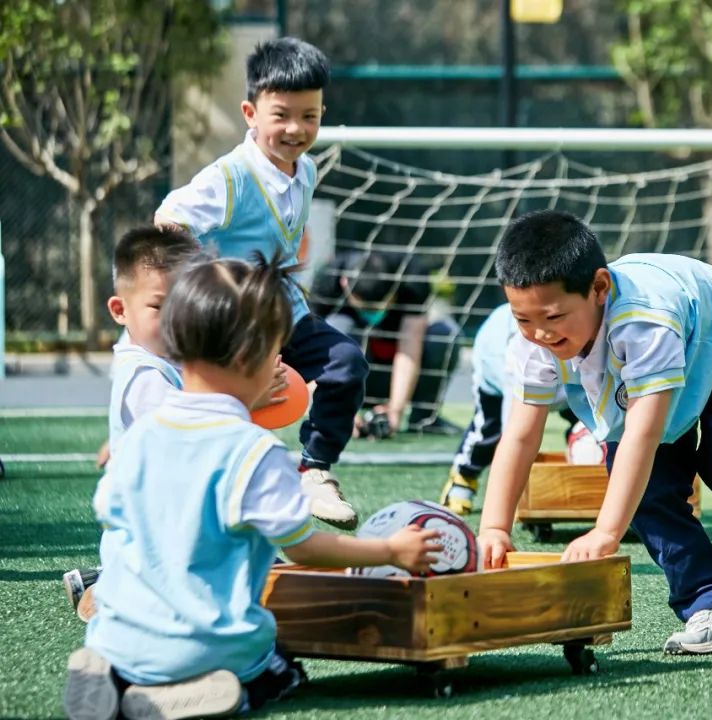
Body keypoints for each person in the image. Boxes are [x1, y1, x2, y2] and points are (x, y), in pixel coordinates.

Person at [63, 254, 443, 720]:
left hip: (114, 639)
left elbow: (111, 511)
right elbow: (304, 548)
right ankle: (213, 692)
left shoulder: (137, 434)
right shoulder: (255, 453)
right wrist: (390, 552)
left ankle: (116, 678)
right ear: (252, 358)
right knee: (281, 669)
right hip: (205, 651)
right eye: (278, 352)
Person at [477, 210, 712, 654]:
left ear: (600, 288)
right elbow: (520, 437)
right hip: (654, 363)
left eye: (554, 316)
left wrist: (605, 533)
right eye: (522, 318)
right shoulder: (533, 343)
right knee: (648, 490)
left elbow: (642, 433)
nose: (538, 332)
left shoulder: (644, 322)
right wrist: (494, 526)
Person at [155, 37, 367, 530]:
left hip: (284, 313)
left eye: (309, 116)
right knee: (229, 416)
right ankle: (187, 515)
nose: (296, 129)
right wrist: (210, 290)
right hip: (232, 324)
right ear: (251, 112)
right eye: (282, 115)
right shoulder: (228, 177)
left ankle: (314, 472)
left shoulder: (307, 168)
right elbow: (169, 221)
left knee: (346, 365)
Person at [62, 227, 288, 615]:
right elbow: (192, 442)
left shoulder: (161, 359)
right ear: (120, 310)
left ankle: (106, 580)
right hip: (156, 535)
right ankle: (109, 589)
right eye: (158, 307)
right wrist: (247, 400)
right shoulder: (146, 373)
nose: (173, 321)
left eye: (184, 308)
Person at [439, 302, 578, 515]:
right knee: (489, 427)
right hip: (498, 375)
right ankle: (463, 476)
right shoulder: (513, 352)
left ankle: (590, 474)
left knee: (590, 424)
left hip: (571, 383)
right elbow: (515, 434)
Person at [310, 249, 461, 437]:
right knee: (338, 326)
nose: (373, 313)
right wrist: (340, 410)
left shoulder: (412, 276)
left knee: (444, 334)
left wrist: (396, 410)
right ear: (344, 284)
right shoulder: (328, 277)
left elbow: (410, 346)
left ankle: (424, 418)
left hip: (398, 374)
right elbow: (311, 351)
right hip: (352, 376)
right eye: (366, 308)